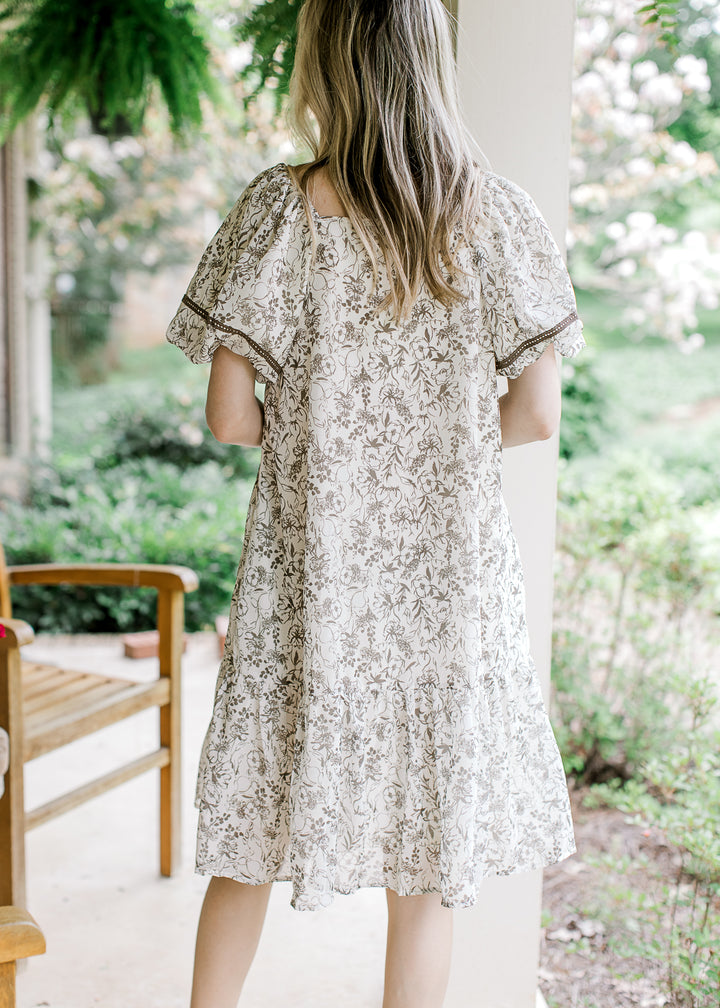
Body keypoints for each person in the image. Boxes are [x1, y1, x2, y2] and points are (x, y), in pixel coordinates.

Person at [166, 0, 585, 1005]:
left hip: (310, 575)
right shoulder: (501, 216)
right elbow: (533, 413)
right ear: (432, 59)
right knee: (425, 866)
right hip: (447, 582)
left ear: (326, 61)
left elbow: (230, 415)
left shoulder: (280, 208)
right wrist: (423, 448)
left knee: (251, 835)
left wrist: (331, 450)